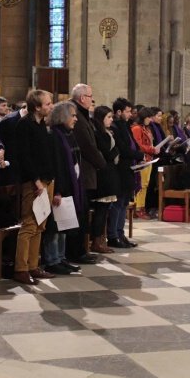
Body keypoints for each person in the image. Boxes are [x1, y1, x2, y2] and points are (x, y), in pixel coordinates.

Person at [11, 89, 58, 284]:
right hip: (33, 182)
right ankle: (21, 269)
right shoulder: (25, 125)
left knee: (40, 225)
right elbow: (25, 157)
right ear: (37, 106)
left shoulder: (42, 125)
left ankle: (33, 265)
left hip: (46, 180)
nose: (51, 106)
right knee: (29, 225)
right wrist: (37, 180)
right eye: (47, 104)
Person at [43, 101, 83, 273]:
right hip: (59, 186)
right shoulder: (54, 135)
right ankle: (52, 260)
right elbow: (56, 164)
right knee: (55, 226)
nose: (75, 119)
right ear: (63, 116)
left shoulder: (68, 134)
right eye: (72, 115)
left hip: (70, 185)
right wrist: (57, 190)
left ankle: (61, 257)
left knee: (64, 224)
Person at [68, 84, 104, 262]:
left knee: (83, 213)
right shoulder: (76, 116)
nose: (91, 99)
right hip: (81, 172)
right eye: (90, 96)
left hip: (86, 171)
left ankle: (81, 250)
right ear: (82, 98)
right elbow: (87, 146)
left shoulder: (83, 115)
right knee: (79, 213)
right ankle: (76, 252)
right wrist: (102, 163)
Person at [108, 98, 142, 248]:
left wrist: (138, 156)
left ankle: (121, 234)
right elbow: (122, 148)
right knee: (118, 204)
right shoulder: (115, 127)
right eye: (127, 111)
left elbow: (132, 145)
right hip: (119, 170)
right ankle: (113, 236)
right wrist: (139, 155)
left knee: (124, 203)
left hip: (128, 169)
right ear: (119, 112)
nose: (130, 114)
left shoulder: (125, 125)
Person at [89, 106, 119, 253]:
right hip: (103, 176)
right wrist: (116, 148)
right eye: (109, 117)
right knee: (101, 211)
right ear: (101, 118)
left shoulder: (106, 133)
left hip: (109, 174)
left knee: (105, 210)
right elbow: (108, 153)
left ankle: (101, 239)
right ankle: (96, 241)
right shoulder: (99, 134)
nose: (111, 120)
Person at [130, 107, 159, 218]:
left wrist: (155, 148)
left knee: (145, 184)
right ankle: (137, 208)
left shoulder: (146, 128)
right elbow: (138, 145)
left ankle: (141, 207)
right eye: (149, 117)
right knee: (141, 184)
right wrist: (151, 149)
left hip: (149, 159)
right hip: (142, 159)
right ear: (143, 117)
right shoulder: (137, 128)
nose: (150, 120)